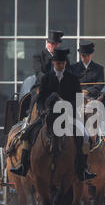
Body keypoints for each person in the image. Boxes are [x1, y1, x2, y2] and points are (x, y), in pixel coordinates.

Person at [10, 47, 96, 181]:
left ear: (65, 64)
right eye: (57, 63)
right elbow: (40, 98)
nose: (60, 65)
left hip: (68, 117)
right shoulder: (46, 78)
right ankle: (24, 165)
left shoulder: (72, 79)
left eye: (62, 63)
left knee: (85, 136)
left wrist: (67, 106)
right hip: (48, 115)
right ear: (53, 63)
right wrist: (43, 109)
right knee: (26, 134)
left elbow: (77, 99)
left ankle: (83, 168)